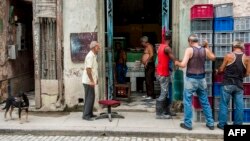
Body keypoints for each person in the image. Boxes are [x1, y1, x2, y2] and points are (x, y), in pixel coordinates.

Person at [175, 34, 215, 130]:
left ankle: (188, 124)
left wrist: (177, 63)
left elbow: (183, 65)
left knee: (188, 101)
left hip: (191, 79)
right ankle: (210, 123)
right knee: (205, 101)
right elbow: (213, 57)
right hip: (202, 79)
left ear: (190, 41)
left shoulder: (189, 50)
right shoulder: (204, 50)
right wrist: (207, 47)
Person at [216, 40, 250, 130]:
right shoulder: (247, 58)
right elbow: (247, 73)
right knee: (239, 105)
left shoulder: (228, 56)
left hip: (227, 83)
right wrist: (239, 75)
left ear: (233, 46)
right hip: (239, 85)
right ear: (242, 47)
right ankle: (238, 125)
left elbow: (222, 69)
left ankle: (222, 124)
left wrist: (217, 71)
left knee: (224, 104)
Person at [155, 34, 177, 119]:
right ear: (171, 39)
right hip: (163, 73)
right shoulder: (167, 48)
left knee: (166, 93)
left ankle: (166, 111)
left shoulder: (160, 46)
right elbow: (173, 59)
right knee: (164, 93)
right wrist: (179, 62)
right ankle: (159, 113)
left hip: (161, 72)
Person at [82, 41, 101, 121]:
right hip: (88, 81)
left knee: (91, 97)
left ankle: (89, 113)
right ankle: (86, 115)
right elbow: (88, 70)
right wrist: (92, 81)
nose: (99, 48)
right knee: (89, 98)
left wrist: (95, 79)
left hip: (90, 81)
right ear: (94, 47)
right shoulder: (90, 56)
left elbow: (93, 70)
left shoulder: (93, 55)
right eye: (98, 47)